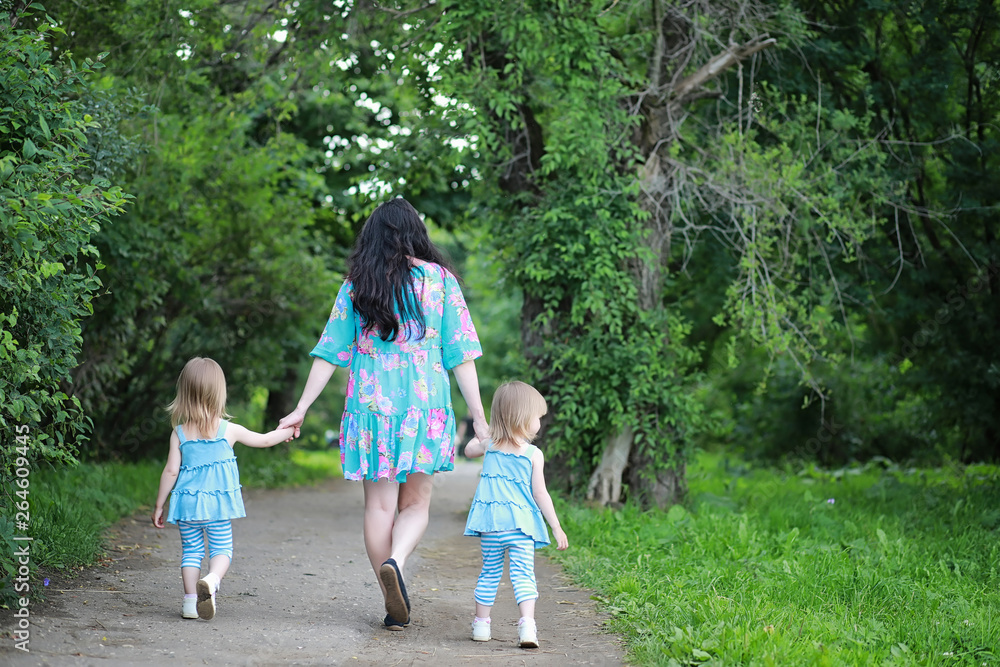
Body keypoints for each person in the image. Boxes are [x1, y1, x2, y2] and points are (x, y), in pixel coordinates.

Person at [278, 198, 489, 630]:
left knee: (378, 507)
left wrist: (300, 408)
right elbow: (462, 356)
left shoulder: (358, 284)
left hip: (371, 408)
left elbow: (329, 352)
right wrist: (480, 419)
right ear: (416, 233)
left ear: (372, 237)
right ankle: (398, 561)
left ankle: (392, 598)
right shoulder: (441, 281)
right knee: (416, 503)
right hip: (424, 407)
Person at [152, 357, 294, 620]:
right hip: (217, 506)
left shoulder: (179, 433)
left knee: (191, 552)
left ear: (184, 394)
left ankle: (190, 603)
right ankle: (213, 580)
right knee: (222, 549)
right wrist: (290, 430)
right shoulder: (229, 430)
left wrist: (160, 505)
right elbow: (264, 440)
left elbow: (171, 470)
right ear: (219, 393)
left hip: (187, 505)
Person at [463, 380, 569, 648]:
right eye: (537, 417)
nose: (540, 422)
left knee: (489, 574)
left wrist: (482, 434)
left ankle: (481, 626)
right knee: (523, 576)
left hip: (491, 526)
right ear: (522, 418)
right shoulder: (533, 454)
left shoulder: (489, 445)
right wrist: (556, 526)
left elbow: (468, 451)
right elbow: (541, 494)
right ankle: (527, 628)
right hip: (521, 528)